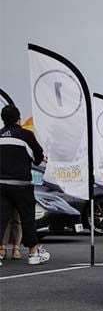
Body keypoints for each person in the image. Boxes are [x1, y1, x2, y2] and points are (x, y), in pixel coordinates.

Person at [0, 105, 50, 266]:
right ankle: (33, 253)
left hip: (1, 185)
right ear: (18, 118)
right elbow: (37, 157)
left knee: (1, 219)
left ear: (3, 119)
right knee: (27, 219)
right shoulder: (26, 135)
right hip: (22, 185)